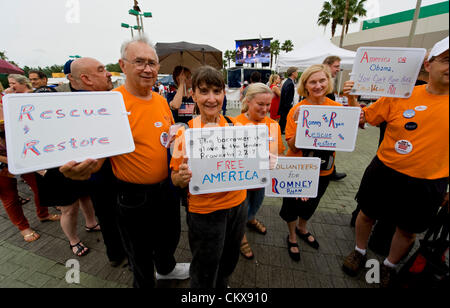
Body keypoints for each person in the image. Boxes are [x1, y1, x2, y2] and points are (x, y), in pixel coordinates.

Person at [60, 37, 189, 288]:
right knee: (139, 254)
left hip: (166, 189)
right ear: (123, 65)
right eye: (139, 61)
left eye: (152, 63)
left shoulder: (161, 100)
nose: (148, 68)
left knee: (170, 237)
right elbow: (95, 160)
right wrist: (80, 170)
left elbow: (164, 138)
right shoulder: (109, 105)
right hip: (133, 196)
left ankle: (166, 269)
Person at [341, 36, 449, 288]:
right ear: (428, 64)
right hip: (384, 171)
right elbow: (363, 118)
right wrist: (352, 98)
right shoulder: (400, 94)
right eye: (446, 60)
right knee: (367, 214)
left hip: (429, 182)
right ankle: (359, 250)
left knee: (408, 230)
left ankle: (388, 265)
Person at [170, 65, 247, 288]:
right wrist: (181, 178)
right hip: (205, 213)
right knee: (205, 267)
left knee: (229, 259)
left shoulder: (236, 126)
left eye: (217, 91)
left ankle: (221, 285)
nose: (211, 98)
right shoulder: (185, 133)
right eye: (204, 91)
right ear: (193, 94)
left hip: (237, 206)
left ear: (224, 93)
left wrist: (266, 162)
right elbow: (174, 178)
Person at [280, 64, 358, 261]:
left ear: (328, 82)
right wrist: (300, 124)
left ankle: (302, 228)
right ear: (305, 85)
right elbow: (293, 146)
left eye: (322, 80)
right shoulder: (297, 110)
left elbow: (352, 130)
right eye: (312, 81)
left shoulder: (338, 109)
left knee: (312, 203)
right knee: (291, 206)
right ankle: (291, 236)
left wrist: (352, 98)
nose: (318, 85)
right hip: (296, 169)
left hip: (324, 169)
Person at [0, 77, 60, 243]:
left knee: (39, 185)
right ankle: (23, 227)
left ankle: (44, 213)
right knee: (10, 196)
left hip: (23, 153)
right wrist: (11, 160)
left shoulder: (8, 102)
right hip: (4, 161)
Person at [235, 83, 285, 259]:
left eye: (268, 104)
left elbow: (278, 153)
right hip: (240, 181)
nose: (265, 109)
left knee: (256, 204)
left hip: (262, 180)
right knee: (240, 209)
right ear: (248, 101)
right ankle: (240, 236)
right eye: (260, 104)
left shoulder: (273, 125)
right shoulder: (235, 124)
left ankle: (251, 219)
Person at [323, 56, 347, 181]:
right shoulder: (324, 84)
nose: (338, 69)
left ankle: (331, 170)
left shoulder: (330, 83)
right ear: (327, 65)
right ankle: (329, 170)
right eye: (336, 66)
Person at [278, 67, 298, 134]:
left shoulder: (288, 82)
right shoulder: (289, 83)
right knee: (284, 119)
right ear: (293, 73)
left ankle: (282, 130)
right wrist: (288, 105)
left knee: (283, 119)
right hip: (286, 106)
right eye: (296, 72)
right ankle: (282, 130)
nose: (297, 73)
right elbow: (287, 96)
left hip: (285, 106)